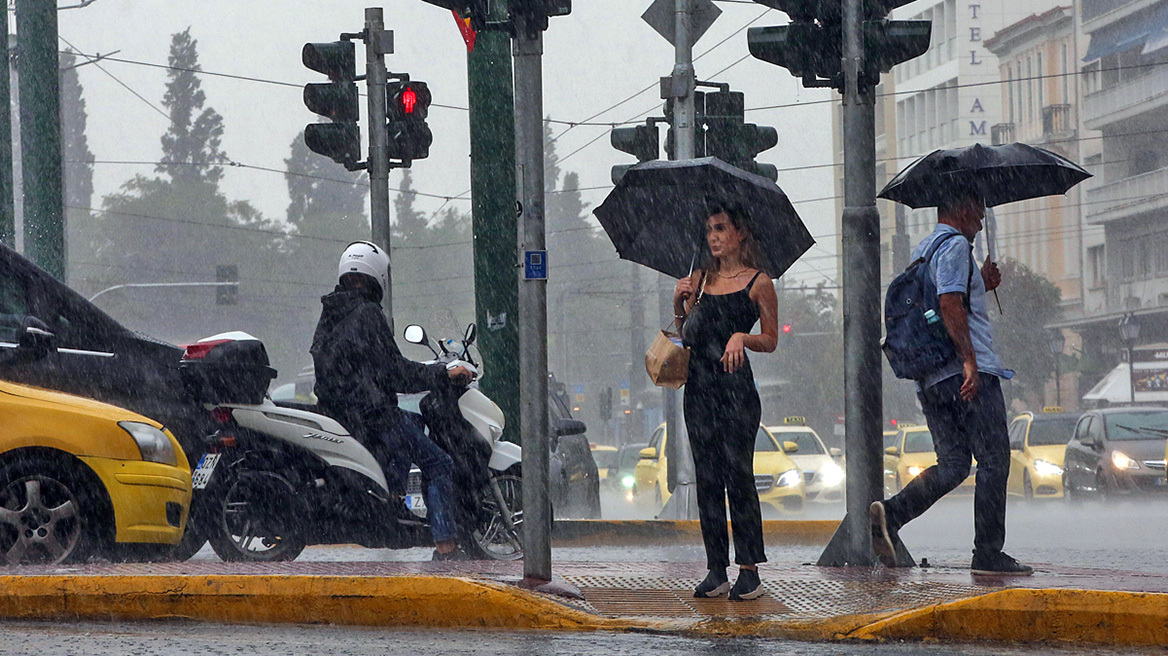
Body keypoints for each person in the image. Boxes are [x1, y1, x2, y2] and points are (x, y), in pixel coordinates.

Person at [869, 192, 1032, 576]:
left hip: (931, 378)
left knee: (955, 464)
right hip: (967, 375)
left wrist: (981, 283)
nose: (981, 218)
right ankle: (988, 553)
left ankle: (892, 513)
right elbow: (948, 303)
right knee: (994, 459)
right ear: (960, 208)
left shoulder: (925, 249)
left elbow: (942, 298)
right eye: (978, 209)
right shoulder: (957, 246)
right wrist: (970, 360)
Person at [310, 241, 474, 560]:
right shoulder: (368, 313)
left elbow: (367, 365)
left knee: (413, 422)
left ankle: (393, 498)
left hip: (340, 413)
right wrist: (442, 373)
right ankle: (446, 545)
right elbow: (395, 372)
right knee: (439, 463)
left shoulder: (332, 311)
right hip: (372, 415)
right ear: (378, 275)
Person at [673, 205, 779, 601]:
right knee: (707, 479)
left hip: (736, 392)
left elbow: (770, 339)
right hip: (699, 391)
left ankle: (749, 570)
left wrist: (741, 337)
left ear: (740, 233)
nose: (713, 237)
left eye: (720, 228)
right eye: (709, 230)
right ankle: (716, 569)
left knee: (738, 475)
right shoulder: (699, 280)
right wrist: (679, 305)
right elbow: (687, 337)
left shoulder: (759, 282)